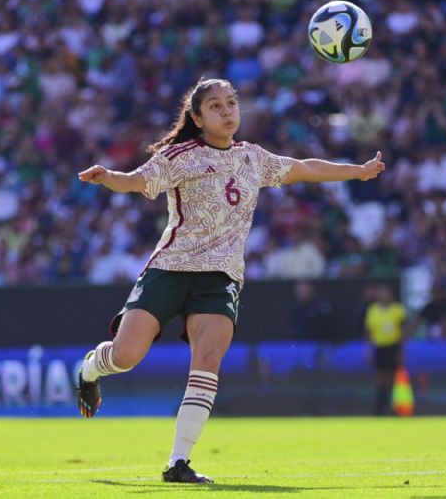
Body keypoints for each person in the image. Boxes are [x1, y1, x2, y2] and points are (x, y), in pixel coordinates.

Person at [75, 77, 386, 484]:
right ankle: (89, 370)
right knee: (127, 356)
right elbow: (136, 180)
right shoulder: (179, 155)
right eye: (216, 106)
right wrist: (109, 176)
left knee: (207, 363)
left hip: (220, 276)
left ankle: (178, 463)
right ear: (198, 118)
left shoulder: (253, 158)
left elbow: (305, 169)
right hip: (170, 269)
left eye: (232, 103)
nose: (227, 111)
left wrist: (358, 172)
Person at [364, 283, 408, 416]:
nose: (384, 295)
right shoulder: (373, 310)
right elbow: (369, 332)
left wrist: (401, 350)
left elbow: (403, 330)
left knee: (394, 378)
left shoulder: (398, 309)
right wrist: (369, 350)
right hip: (380, 347)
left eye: (386, 292)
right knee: (380, 378)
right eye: (381, 292)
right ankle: (379, 409)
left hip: (393, 346)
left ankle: (396, 409)